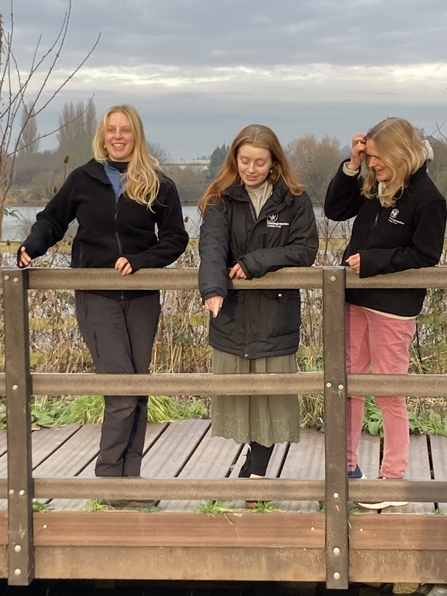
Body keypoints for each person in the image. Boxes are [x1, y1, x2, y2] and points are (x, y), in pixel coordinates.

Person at [18, 104, 189, 488]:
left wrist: (141, 261)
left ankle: (131, 480)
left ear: (136, 135)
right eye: (111, 130)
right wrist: (31, 246)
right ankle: (109, 481)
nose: (117, 137)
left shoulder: (159, 183)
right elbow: (51, 220)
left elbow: (177, 238)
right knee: (121, 392)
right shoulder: (83, 179)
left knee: (138, 390)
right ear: (103, 135)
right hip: (97, 294)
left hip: (142, 296)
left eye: (125, 130)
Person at [325, 117, 446, 509]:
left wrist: (374, 261)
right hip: (356, 300)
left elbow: (426, 255)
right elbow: (334, 209)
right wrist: (352, 165)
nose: (373, 163)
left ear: (397, 153)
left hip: (394, 308)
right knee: (349, 384)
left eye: (377, 156)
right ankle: (345, 468)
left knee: (390, 391)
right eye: (370, 156)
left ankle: (392, 480)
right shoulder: (375, 185)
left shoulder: (428, 199)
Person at [198, 124, 319, 507]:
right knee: (243, 398)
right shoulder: (220, 199)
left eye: (260, 162)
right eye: (244, 160)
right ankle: (253, 470)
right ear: (235, 159)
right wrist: (212, 289)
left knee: (270, 398)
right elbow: (212, 246)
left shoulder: (295, 199)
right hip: (232, 314)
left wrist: (255, 262)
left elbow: (305, 249)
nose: (251, 169)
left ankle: (256, 475)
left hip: (276, 314)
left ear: (274, 162)